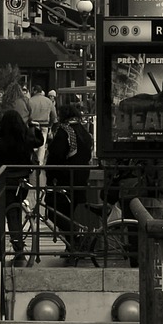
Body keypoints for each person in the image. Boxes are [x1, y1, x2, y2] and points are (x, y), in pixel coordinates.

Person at [0, 110, 43, 266]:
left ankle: (16, 248)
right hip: (22, 181)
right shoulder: (25, 139)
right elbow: (39, 141)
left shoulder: (0, 142)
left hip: (5, 181)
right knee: (15, 212)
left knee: (7, 215)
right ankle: (18, 246)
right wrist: (35, 128)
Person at [45, 102, 95, 256]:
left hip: (63, 180)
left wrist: (50, 175)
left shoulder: (65, 131)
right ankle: (72, 244)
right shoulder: (84, 132)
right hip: (81, 178)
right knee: (69, 212)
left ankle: (75, 238)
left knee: (53, 211)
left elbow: (55, 156)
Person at [28, 85, 58, 163]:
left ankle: (32, 162)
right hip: (45, 125)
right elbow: (54, 115)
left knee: (31, 144)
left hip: (33, 125)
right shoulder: (48, 101)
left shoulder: (29, 101)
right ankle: (40, 163)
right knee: (42, 146)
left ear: (34, 91)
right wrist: (50, 125)